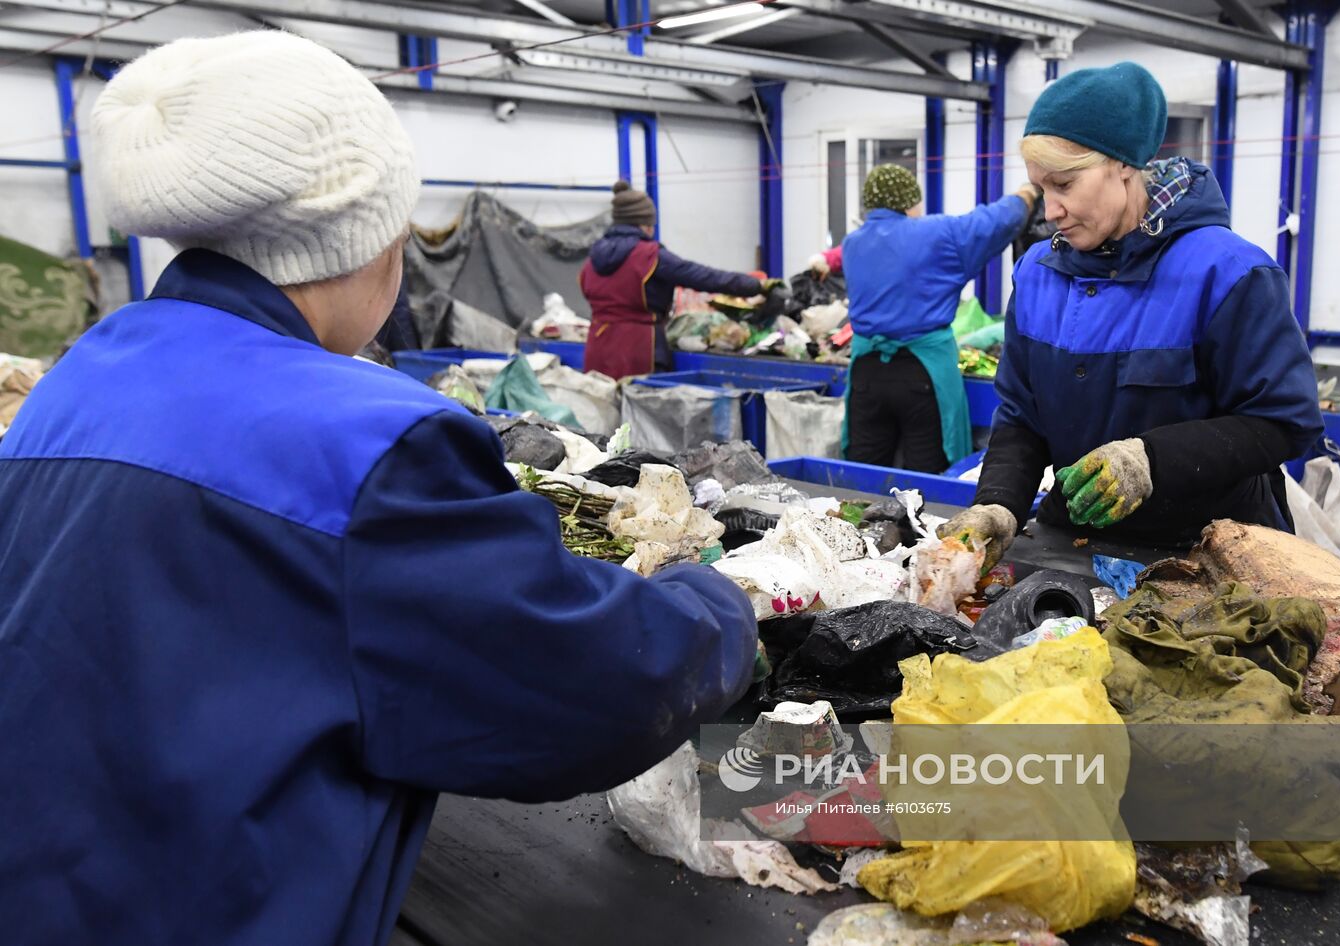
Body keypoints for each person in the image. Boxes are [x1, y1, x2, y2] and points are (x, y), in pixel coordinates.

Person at [0, 32, 757, 946]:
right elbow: (599, 688)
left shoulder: (83, 376)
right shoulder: (368, 442)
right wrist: (716, 599)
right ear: (370, 240)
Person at [938, 62, 1324, 566]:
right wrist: (998, 505)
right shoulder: (1038, 273)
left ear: (1123, 165)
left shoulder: (1228, 272)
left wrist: (1151, 459)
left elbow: (1283, 422)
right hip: (1078, 542)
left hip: (1208, 553)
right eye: (1041, 188)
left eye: (1065, 185)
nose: (1050, 210)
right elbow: (1021, 417)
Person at [841, 164, 1038, 473]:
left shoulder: (852, 243)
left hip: (866, 374)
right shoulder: (937, 234)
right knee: (928, 481)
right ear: (909, 202)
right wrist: (1026, 194)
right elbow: (996, 222)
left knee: (865, 477)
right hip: (921, 376)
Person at [580, 181, 779, 379]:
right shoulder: (649, 256)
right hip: (638, 350)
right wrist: (757, 286)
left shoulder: (591, 259)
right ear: (645, 225)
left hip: (598, 346)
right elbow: (704, 277)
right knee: (643, 408)